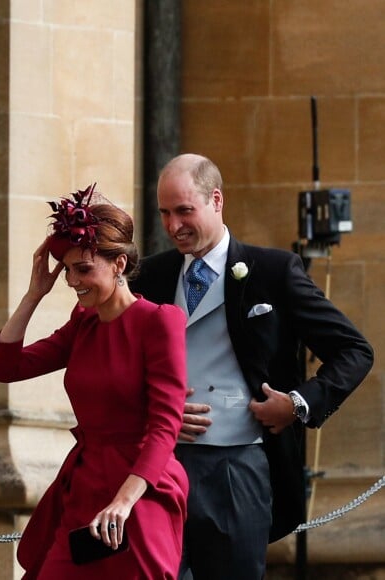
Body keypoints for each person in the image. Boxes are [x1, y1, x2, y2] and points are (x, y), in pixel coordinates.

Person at [130, 153, 374, 580]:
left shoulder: (274, 271)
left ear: (216, 200)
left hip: (240, 465)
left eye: (184, 210)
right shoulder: (149, 276)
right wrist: (153, 409)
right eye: (165, 213)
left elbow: (354, 350)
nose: (173, 226)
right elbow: (119, 362)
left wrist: (298, 404)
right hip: (161, 465)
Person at [0, 185, 189, 579]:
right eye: (68, 270)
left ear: (119, 264)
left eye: (84, 269)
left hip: (141, 490)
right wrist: (33, 295)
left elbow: (165, 426)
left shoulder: (159, 321)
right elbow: (3, 368)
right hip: (85, 485)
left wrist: (124, 502)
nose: (72, 281)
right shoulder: (83, 323)